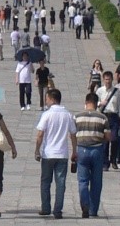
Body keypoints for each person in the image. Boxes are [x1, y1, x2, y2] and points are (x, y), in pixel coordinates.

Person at [33, 86, 75, 218]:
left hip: (48, 153)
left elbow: (40, 134)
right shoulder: (68, 115)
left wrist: (37, 150)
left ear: (52, 99)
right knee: (60, 183)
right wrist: (75, 150)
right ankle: (58, 210)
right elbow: (73, 134)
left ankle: (46, 207)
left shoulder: (47, 115)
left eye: (47, 99)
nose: (46, 102)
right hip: (62, 154)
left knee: (45, 181)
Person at [73, 90, 112, 218]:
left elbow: (72, 134)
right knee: (96, 181)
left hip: (82, 149)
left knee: (82, 180)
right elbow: (107, 136)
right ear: (96, 103)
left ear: (86, 102)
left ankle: (84, 204)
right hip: (96, 150)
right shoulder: (102, 117)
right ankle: (93, 210)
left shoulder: (77, 116)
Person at [102, 72, 120, 169]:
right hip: (104, 116)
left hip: (114, 117)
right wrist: (100, 103)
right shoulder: (100, 91)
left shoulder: (117, 91)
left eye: (109, 79)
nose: (107, 81)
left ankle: (113, 160)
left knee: (114, 139)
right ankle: (105, 162)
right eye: (106, 79)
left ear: (112, 79)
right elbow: (95, 102)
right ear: (103, 80)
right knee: (105, 141)